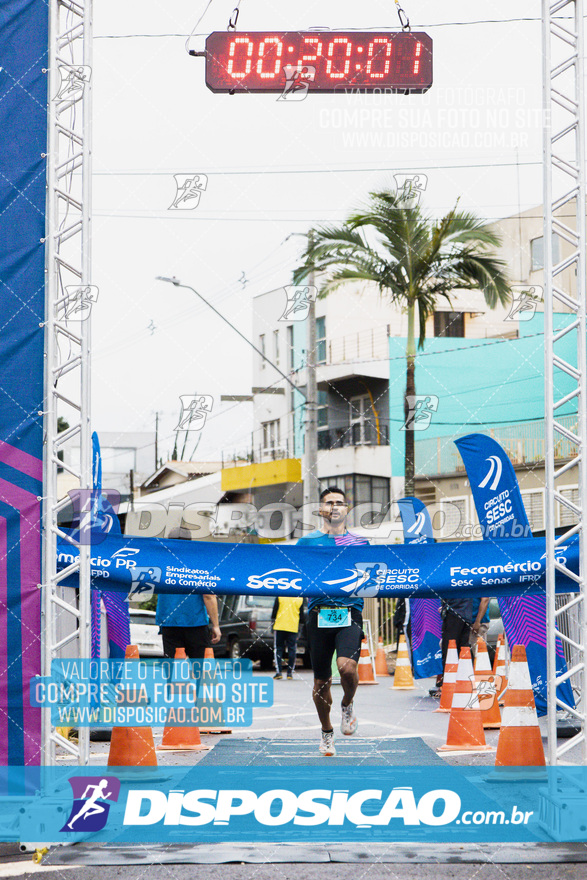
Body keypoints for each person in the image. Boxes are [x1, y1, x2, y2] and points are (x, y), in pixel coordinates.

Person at [296, 487, 369, 757]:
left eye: (340, 503)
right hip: (319, 613)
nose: (335, 507)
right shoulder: (307, 543)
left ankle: (347, 704)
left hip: (349, 612)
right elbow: (295, 575)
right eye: (329, 503)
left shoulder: (361, 544)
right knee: (320, 683)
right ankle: (327, 733)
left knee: (347, 668)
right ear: (322, 510)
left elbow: (371, 579)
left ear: (347, 509)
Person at [155, 527, 221, 658]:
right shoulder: (199, 563)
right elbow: (208, 595)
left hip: (169, 622)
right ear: (190, 542)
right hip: (195, 623)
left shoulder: (161, 563)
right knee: (201, 669)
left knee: (172, 668)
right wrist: (216, 626)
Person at [429, 597, 474, 698]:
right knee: (463, 650)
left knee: (449, 651)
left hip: (454, 614)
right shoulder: (468, 582)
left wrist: (446, 608)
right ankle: (464, 684)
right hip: (466, 615)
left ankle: (447, 685)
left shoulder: (452, 582)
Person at [271, 596, 304, 679]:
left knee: (278, 649)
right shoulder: (300, 598)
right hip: (293, 627)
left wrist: (272, 626)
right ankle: (289, 673)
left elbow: (274, 612)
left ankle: (279, 672)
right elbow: (302, 616)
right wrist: (300, 631)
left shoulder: (280, 596)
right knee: (292, 649)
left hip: (279, 626)